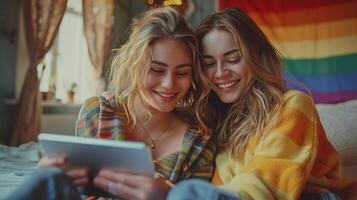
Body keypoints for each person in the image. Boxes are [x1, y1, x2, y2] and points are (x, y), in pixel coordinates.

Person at [6, 7, 216, 200]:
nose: (169, 84)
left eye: (182, 73)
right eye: (156, 70)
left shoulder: (199, 141)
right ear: (134, 65)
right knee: (49, 179)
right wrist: (57, 174)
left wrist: (166, 195)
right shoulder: (99, 112)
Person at [167, 7, 357, 200]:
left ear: (255, 55)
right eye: (209, 64)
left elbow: (268, 177)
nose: (221, 73)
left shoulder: (293, 105)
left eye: (233, 59)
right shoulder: (211, 120)